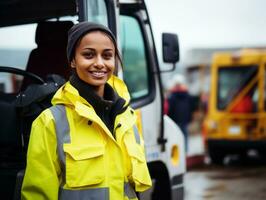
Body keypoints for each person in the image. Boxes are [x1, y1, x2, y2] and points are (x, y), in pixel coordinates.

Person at [21, 22, 152, 200]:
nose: (99, 63)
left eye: (107, 56)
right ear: (73, 60)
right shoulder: (49, 122)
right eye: (88, 55)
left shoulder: (127, 118)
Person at [167, 74, 192, 152]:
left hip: (176, 120)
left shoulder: (172, 96)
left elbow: (170, 109)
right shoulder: (187, 95)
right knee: (184, 136)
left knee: (177, 137)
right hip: (183, 119)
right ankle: (185, 151)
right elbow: (190, 107)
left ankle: (181, 151)